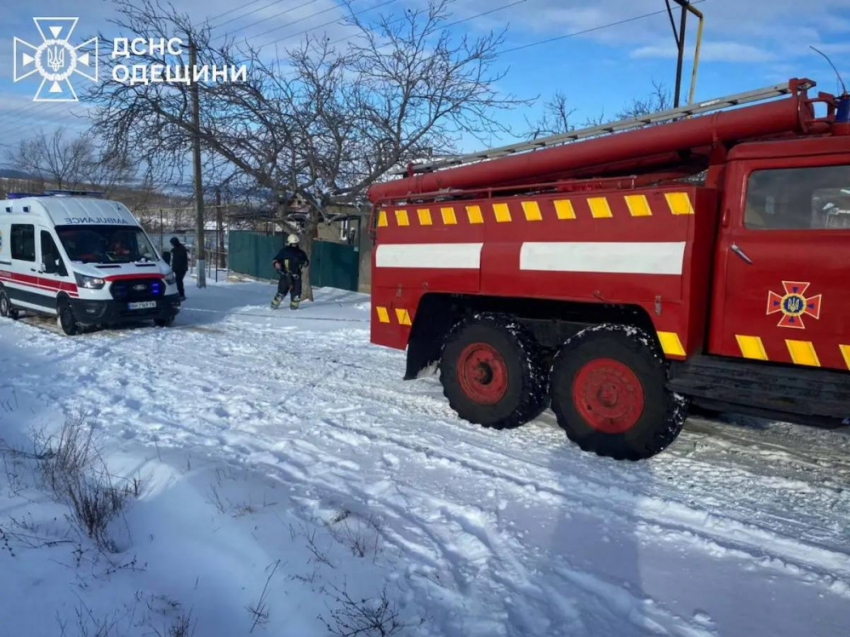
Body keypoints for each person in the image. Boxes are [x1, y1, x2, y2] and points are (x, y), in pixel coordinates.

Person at [271, 234, 309, 310]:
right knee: (283, 292)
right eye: (293, 244)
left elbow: (306, 262)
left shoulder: (300, 253)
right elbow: (276, 260)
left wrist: (304, 262)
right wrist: (276, 264)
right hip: (286, 275)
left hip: (294, 276)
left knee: (294, 294)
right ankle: (274, 306)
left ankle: (293, 308)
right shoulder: (286, 251)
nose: (294, 245)